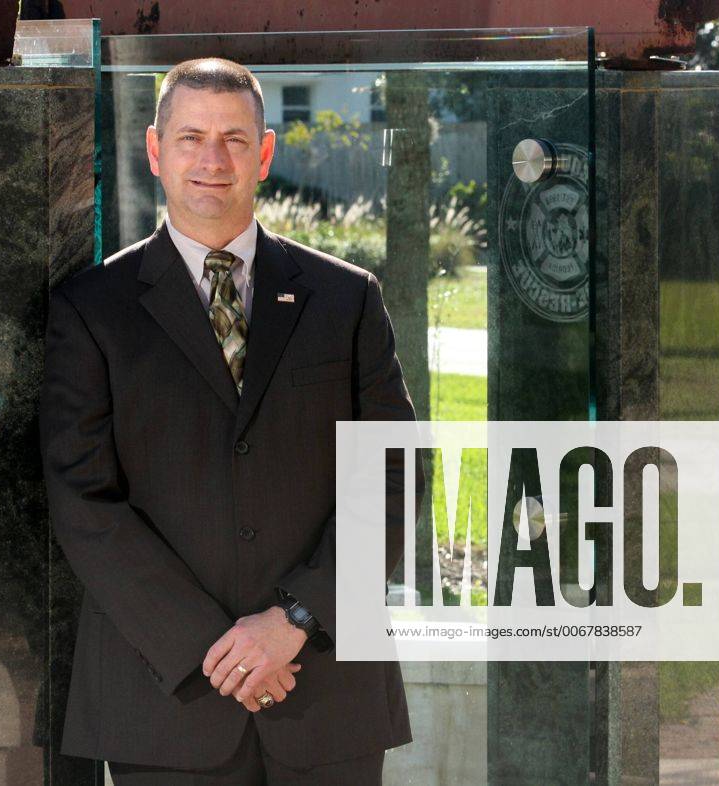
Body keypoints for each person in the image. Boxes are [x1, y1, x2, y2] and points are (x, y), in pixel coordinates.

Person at [40, 57, 419, 785]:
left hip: (325, 687)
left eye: (234, 139)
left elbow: (391, 478)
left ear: (266, 154)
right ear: (155, 151)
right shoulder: (92, 310)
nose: (212, 159)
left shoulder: (347, 300)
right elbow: (83, 504)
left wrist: (294, 623)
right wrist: (217, 647)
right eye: (190, 137)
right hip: (167, 696)